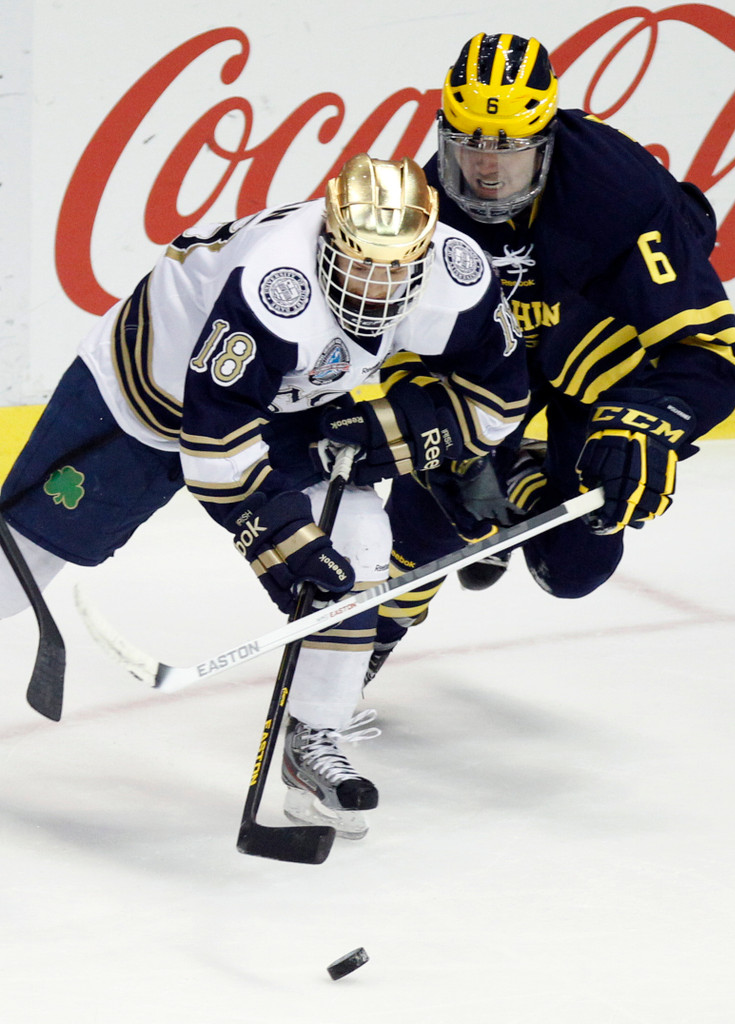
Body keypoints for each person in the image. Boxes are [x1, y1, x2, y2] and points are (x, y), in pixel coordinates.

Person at [0, 152, 530, 838]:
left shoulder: (457, 275)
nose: (376, 287)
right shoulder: (277, 287)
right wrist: (281, 541)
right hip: (142, 393)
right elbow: (213, 445)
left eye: (395, 268)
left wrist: (385, 431)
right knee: (15, 571)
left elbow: (497, 402)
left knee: (359, 540)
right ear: (330, 240)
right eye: (360, 264)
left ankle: (315, 743)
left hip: (286, 398)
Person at [366, 32, 735, 682]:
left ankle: (523, 473)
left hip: (598, 362)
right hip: (494, 363)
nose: (485, 171)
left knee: (573, 571)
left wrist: (650, 423)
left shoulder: (619, 192)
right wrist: (440, 439)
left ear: (546, 141)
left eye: (508, 150)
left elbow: (706, 354)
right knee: (428, 520)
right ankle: (364, 647)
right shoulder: (427, 210)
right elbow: (400, 345)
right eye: (468, 146)